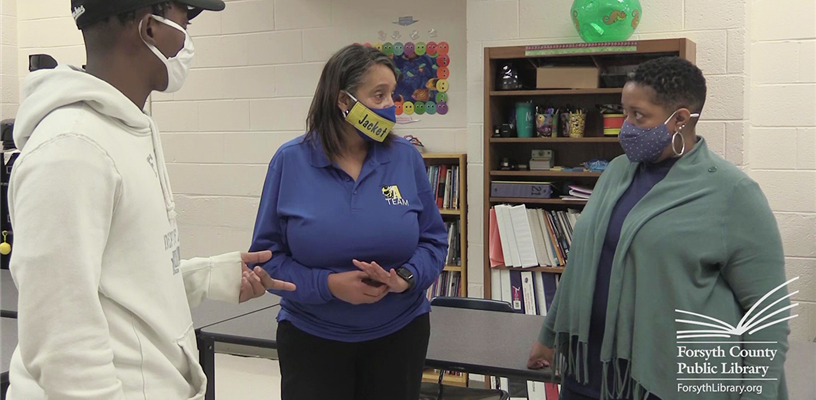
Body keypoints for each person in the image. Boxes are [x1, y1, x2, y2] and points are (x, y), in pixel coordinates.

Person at [7, 1, 295, 398]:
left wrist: (211, 275)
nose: (187, 41)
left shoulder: (126, 128)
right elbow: (61, 340)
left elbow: (128, 279)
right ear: (149, 29)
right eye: (184, 22)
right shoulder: (71, 149)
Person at [527, 57, 790, 400]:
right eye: (624, 112)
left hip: (668, 383)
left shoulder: (732, 193)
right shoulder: (617, 172)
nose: (626, 126)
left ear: (680, 119)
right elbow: (581, 262)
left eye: (638, 115)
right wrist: (548, 336)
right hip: (587, 373)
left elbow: (768, 312)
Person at [249, 44, 448, 400]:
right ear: (343, 100)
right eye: (379, 95)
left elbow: (433, 241)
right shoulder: (290, 161)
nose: (390, 106)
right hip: (312, 339)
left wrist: (405, 277)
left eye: (393, 95)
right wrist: (328, 285)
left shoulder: (405, 158)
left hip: (400, 335)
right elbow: (267, 261)